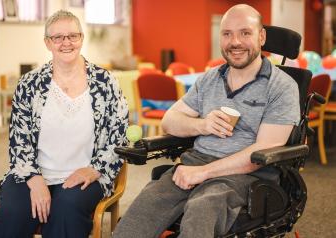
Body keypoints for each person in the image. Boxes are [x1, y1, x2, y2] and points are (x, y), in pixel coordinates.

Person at [113, 4, 300, 238]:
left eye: (245, 33)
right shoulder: (210, 78)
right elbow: (169, 121)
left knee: (202, 209)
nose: (235, 42)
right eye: (227, 34)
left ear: (261, 36)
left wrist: (203, 173)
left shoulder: (281, 86)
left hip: (245, 176)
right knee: (145, 207)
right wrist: (201, 124)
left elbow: (263, 151)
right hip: (195, 163)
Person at [0, 10, 129, 238]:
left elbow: (119, 138)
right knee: (14, 211)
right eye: (58, 37)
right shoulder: (29, 84)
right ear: (47, 43)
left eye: (73, 36)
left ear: (81, 38)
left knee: (66, 210)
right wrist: (34, 178)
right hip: (33, 172)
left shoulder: (106, 82)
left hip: (85, 174)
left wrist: (94, 170)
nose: (66, 43)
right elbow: (18, 142)